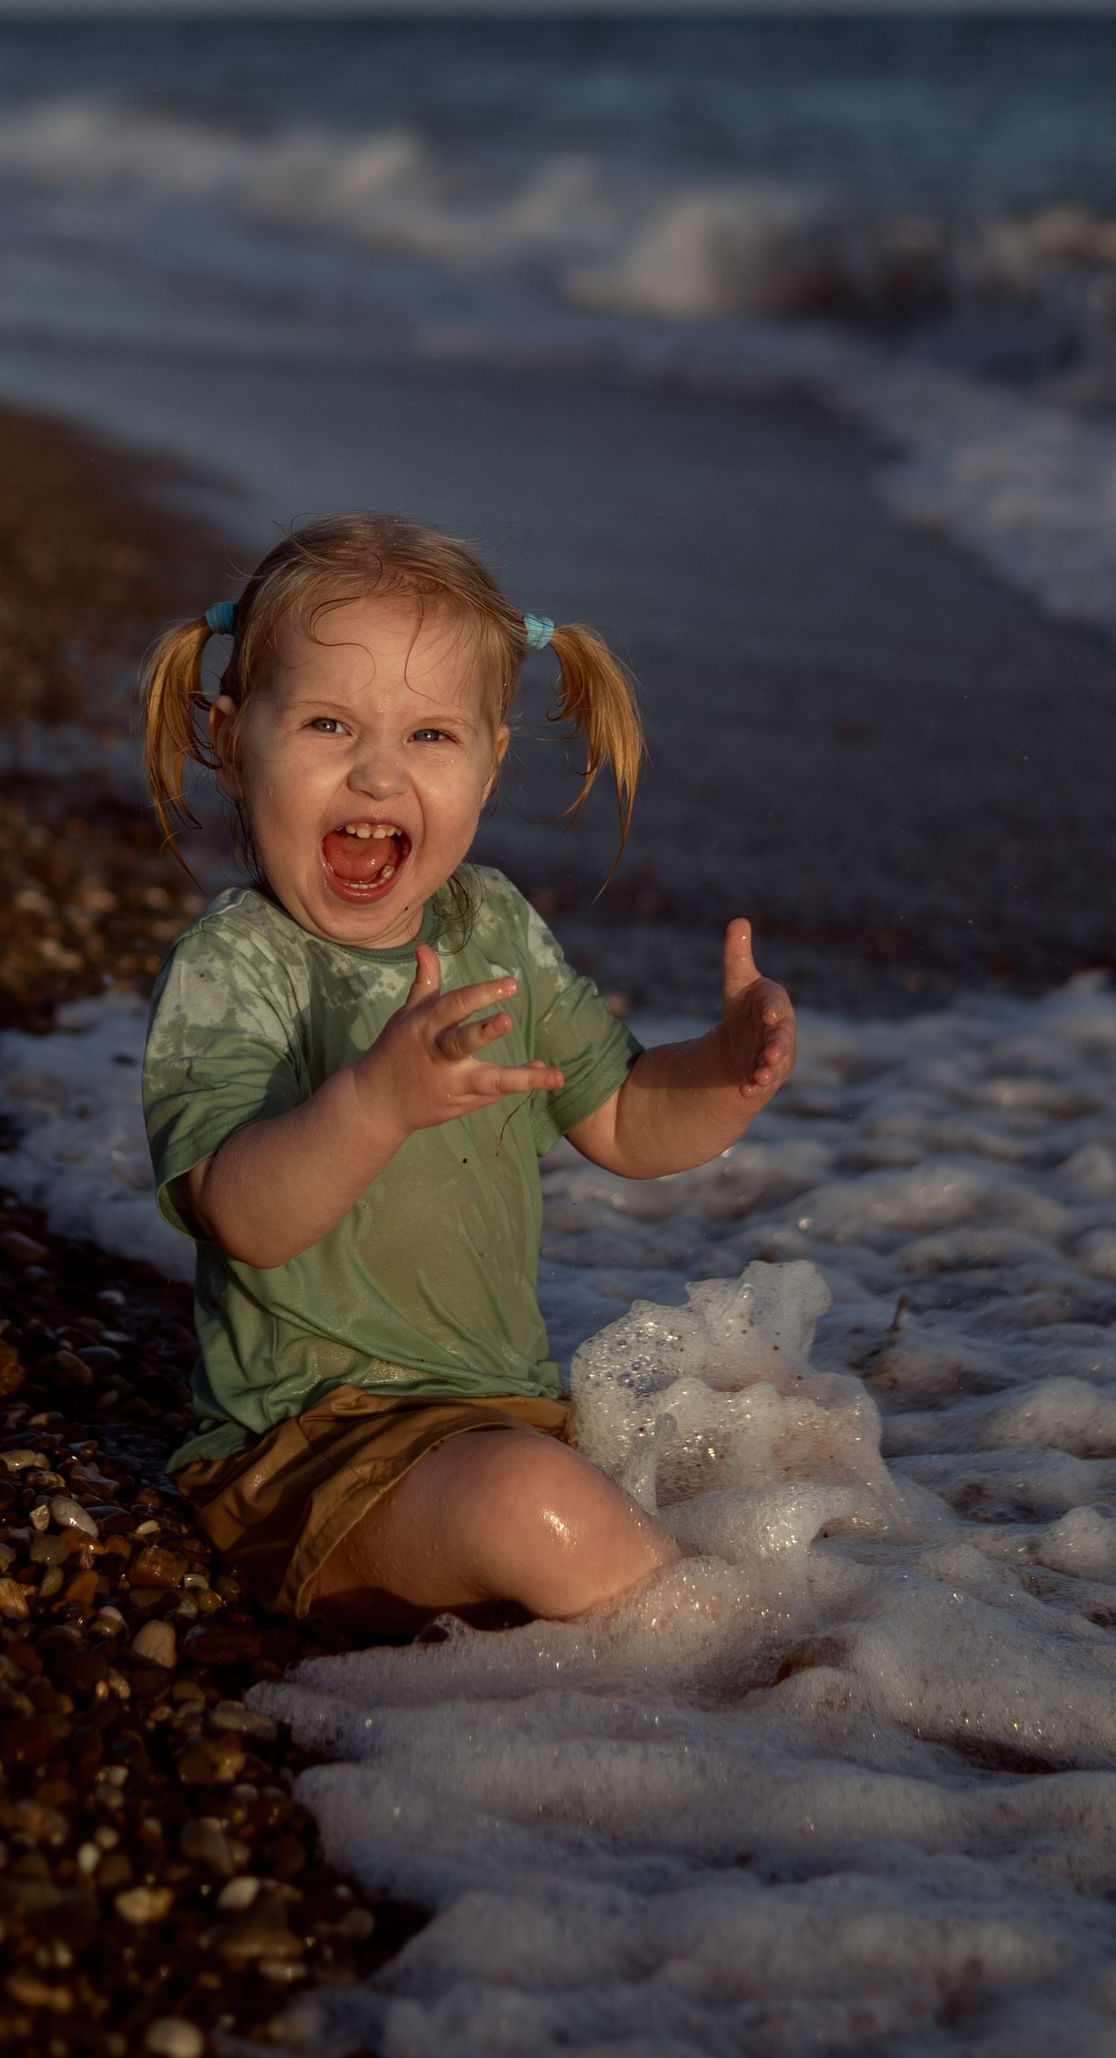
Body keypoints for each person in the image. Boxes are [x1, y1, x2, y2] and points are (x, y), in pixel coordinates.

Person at [136, 511, 798, 1636]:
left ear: (490, 761)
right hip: (302, 1454)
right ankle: (732, 1675)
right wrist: (375, 1100)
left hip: (497, 1416)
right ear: (232, 737)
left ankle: (809, 1636)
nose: (378, 771)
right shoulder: (236, 963)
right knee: (531, 1506)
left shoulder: (494, 927)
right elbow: (239, 1213)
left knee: (783, 1419)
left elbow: (627, 1120)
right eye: (328, 723)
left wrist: (728, 1072)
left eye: (431, 736)